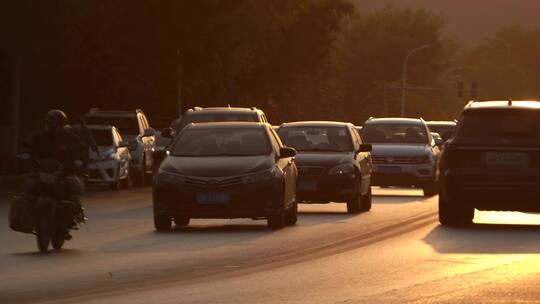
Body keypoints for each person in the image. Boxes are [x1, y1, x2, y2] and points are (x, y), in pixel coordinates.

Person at [25, 110, 87, 225]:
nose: (52, 127)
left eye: (55, 124)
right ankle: (28, 216)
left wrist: (79, 161)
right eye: (50, 124)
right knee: (29, 186)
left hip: (63, 171)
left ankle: (75, 214)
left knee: (75, 186)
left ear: (61, 125)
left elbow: (81, 149)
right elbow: (28, 146)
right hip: (42, 170)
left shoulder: (69, 137)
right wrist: (26, 155)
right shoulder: (39, 136)